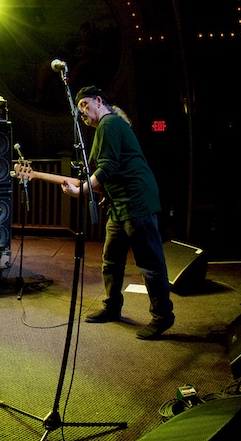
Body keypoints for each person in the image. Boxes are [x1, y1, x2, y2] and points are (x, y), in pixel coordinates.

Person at [61, 86, 174, 340]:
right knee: (111, 260)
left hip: (137, 202)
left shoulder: (109, 123)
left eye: (84, 105)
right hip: (119, 205)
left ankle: (162, 317)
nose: (82, 112)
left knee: (150, 263)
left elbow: (109, 167)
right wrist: (102, 193)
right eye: (79, 108)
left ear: (99, 101)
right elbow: (110, 170)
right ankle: (112, 307)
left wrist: (82, 191)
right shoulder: (106, 127)